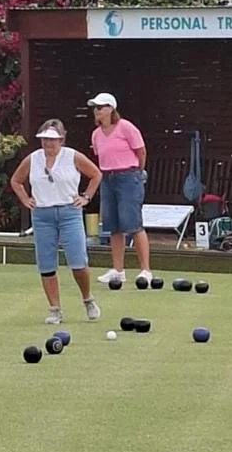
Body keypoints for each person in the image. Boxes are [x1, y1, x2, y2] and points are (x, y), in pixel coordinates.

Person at [9, 120, 103, 324]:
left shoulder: (72, 156)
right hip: (42, 215)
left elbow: (96, 174)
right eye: (44, 139)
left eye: (52, 140)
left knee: (78, 261)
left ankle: (87, 299)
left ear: (61, 139)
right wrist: (25, 199)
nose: (47, 144)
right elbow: (16, 180)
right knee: (46, 264)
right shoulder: (33, 159)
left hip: (69, 213)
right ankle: (55, 309)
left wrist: (86, 197)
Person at [87, 91, 154, 287]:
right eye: (95, 108)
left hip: (128, 177)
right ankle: (118, 270)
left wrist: (137, 172)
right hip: (107, 178)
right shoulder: (96, 134)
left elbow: (141, 151)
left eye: (100, 108)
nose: (97, 111)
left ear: (110, 109)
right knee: (113, 226)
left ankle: (145, 270)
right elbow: (101, 156)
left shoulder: (126, 127)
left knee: (133, 224)